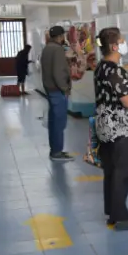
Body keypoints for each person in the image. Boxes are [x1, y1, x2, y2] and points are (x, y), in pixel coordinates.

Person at [94, 27, 128, 231]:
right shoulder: (114, 70)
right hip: (120, 128)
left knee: (111, 170)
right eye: (123, 40)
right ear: (115, 46)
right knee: (122, 172)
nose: (126, 43)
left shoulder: (102, 67)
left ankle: (112, 212)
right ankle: (122, 217)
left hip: (105, 126)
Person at [41, 25, 74, 161]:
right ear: (61, 36)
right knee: (59, 123)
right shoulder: (58, 49)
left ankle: (54, 150)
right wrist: (65, 88)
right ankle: (57, 152)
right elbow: (58, 73)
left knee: (54, 122)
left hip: (50, 89)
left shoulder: (47, 48)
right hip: (57, 90)